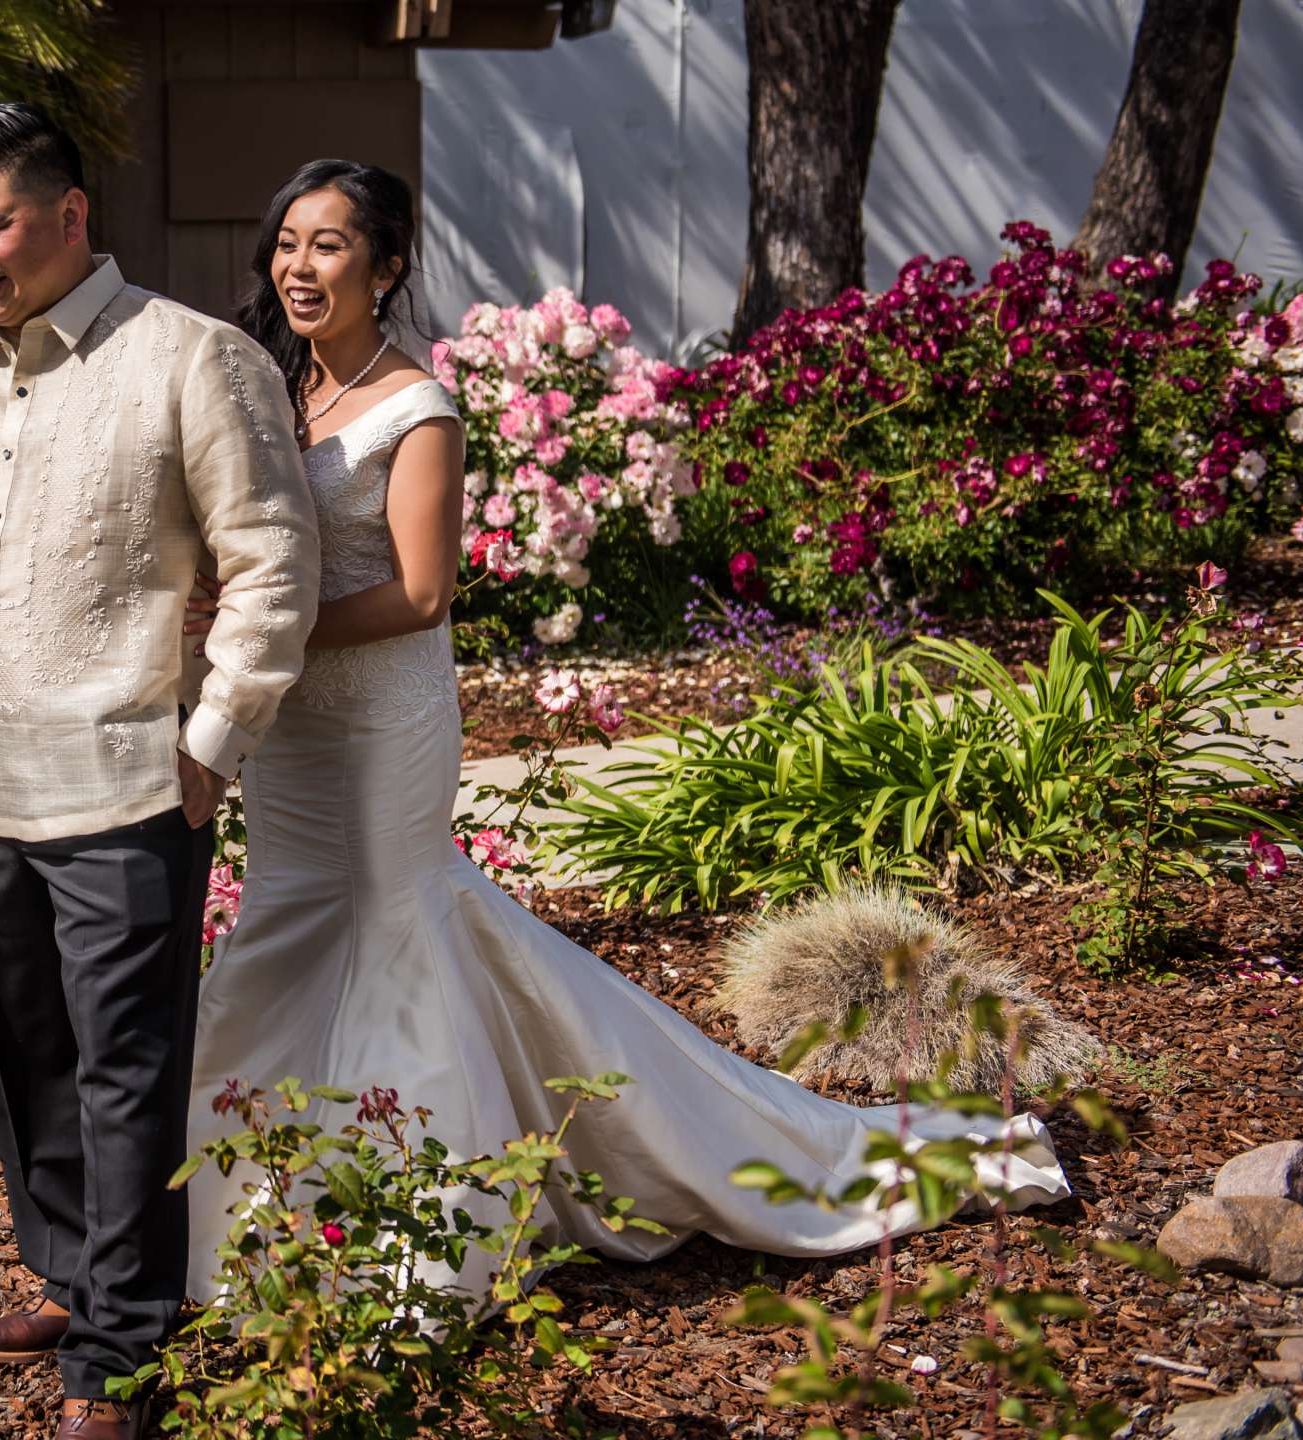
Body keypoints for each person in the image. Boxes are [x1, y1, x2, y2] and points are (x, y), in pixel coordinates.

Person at [181, 159, 1068, 1293]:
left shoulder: (421, 408)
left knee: (391, 935)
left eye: (330, 244)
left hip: (380, 724)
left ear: (387, 265)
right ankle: (252, 1201)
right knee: (286, 932)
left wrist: (271, 627)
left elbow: (418, 594)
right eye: (287, 242)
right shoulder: (272, 389)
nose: (298, 267)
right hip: (294, 733)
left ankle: (413, 1237)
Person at [0, 104, 320, 1440]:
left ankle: (118, 1351)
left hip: (127, 778)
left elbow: (271, 564)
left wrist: (210, 744)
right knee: (23, 1053)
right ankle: (74, 1279)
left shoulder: (194, 359)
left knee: (125, 1059)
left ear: (68, 216)